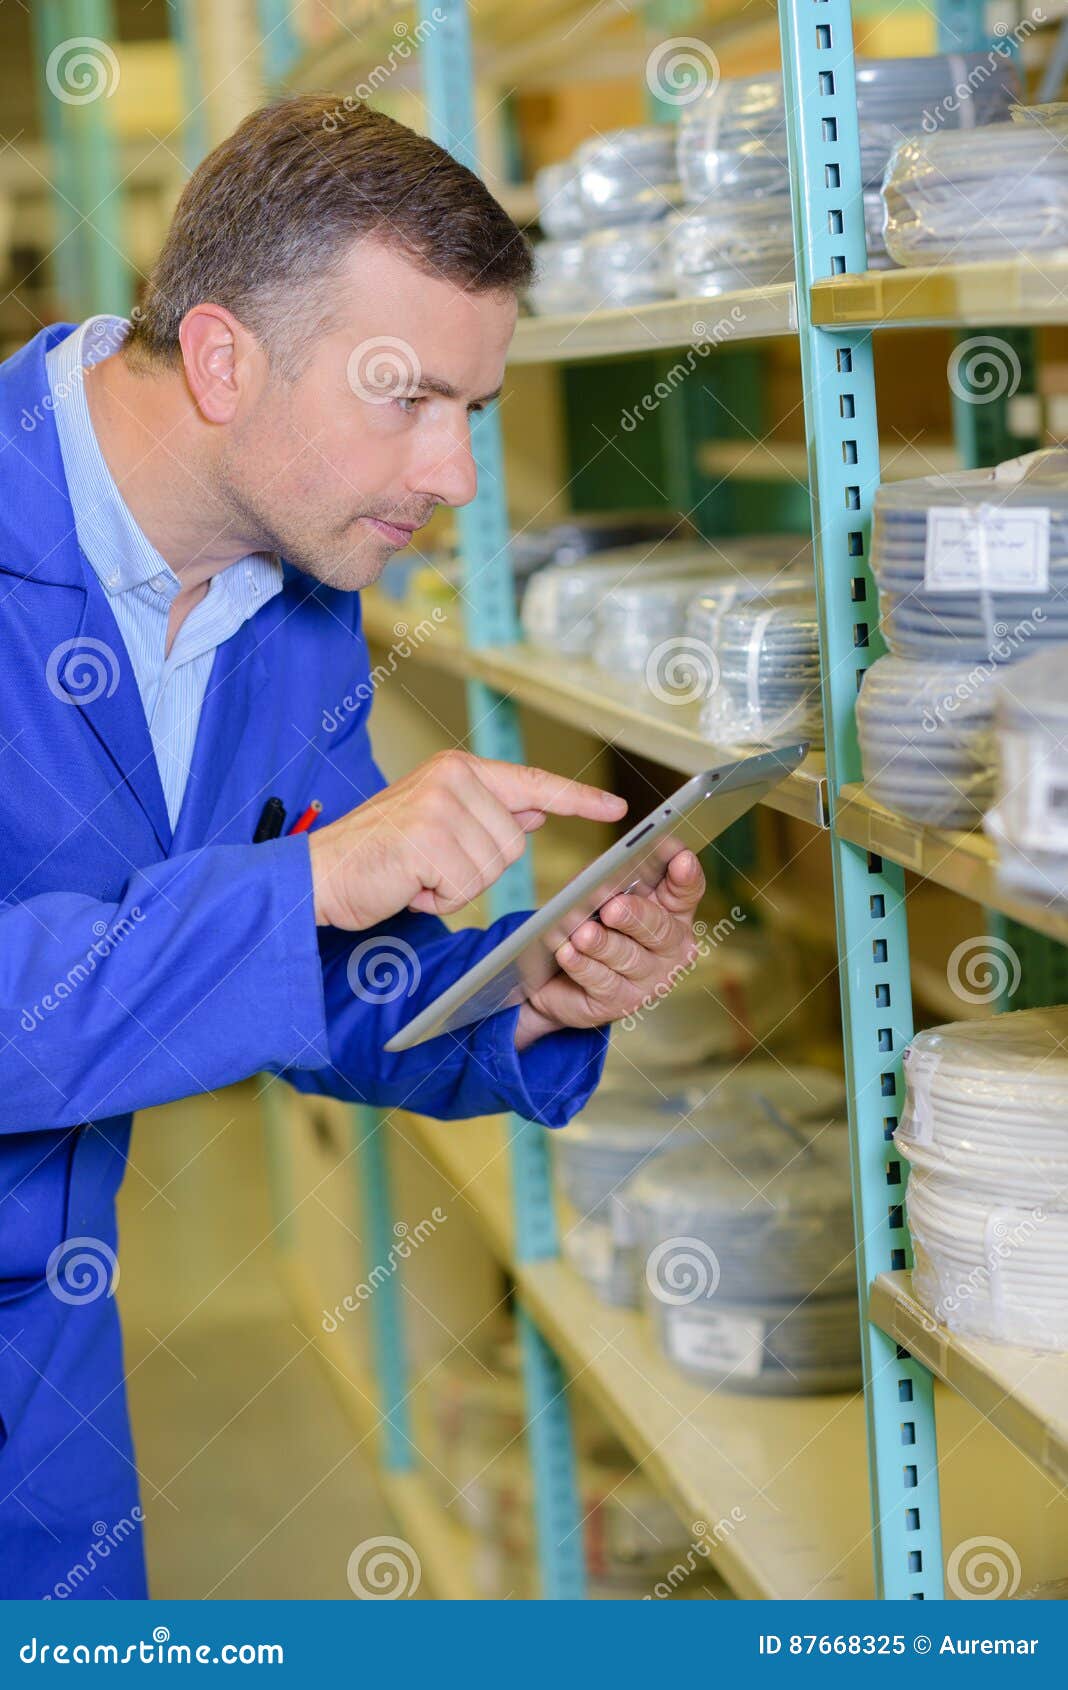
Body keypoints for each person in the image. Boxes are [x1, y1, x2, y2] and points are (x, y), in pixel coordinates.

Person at [0, 95, 706, 1598]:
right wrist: (308, 879)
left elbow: (300, 978)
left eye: (476, 411)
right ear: (219, 357)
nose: (453, 477)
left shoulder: (297, 606)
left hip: (43, 1354)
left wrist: (533, 990)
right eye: (409, 400)